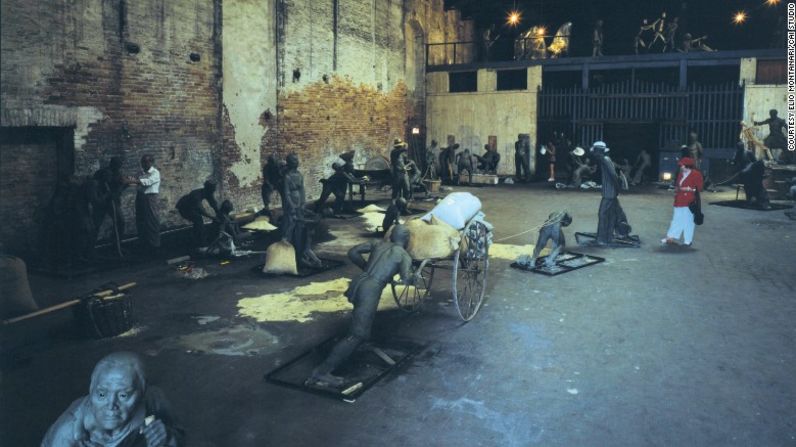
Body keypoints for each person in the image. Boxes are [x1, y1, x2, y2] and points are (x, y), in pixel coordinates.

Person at [306, 225, 415, 388]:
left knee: (359, 325)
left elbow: (352, 252)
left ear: (391, 236)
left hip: (359, 282)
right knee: (358, 334)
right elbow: (407, 280)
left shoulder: (377, 243)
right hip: (371, 289)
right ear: (406, 240)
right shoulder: (404, 255)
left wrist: (368, 269)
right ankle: (321, 372)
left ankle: (351, 345)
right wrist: (415, 276)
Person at [41, 351, 184, 447]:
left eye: (123, 395)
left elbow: (180, 435)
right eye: (102, 394)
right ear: (92, 390)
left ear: (141, 393)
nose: (111, 405)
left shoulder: (153, 400)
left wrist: (169, 437)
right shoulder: (67, 434)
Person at [282, 153, 322, 267]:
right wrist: (292, 206)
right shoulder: (287, 176)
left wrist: (302, 203)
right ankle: (290, 252)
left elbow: (302, 190)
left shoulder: (299, 174)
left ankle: (301, 250)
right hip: (291, 203)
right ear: (289, 162)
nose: (297, 162)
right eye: (294, 160)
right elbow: (287, 193)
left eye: (297, 159)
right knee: (291, 225)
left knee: (300, 226)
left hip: (299, 200)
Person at [590, 141, 632, 244]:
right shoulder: (604, 160)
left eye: (595, 152)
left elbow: (613, 176)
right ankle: (619, 233)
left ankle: (602, 239)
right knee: (616, 213)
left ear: (599, 151)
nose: (594, 154)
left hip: (609, 193)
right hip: (610, 192)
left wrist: (617, 189)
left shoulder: (605, 160)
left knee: (603, 214)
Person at [662, 157, 703, 246]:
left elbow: (699, 188)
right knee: (676, 219)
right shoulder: (681, 174)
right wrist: (677, 189)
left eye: (682, 165)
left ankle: (687, 240)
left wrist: (688, 189)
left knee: (688, 221)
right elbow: (677, 186)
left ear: (687, 166)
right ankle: (671, 237)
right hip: (679, 200)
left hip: (689, 201)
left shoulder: (696, 174)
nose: (681, 167)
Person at [175, 181, 220, 248]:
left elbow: (213, 204)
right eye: (213, 190)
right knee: (198, 219)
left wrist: (219, 214)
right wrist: (213, 217)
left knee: (198, 219)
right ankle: (200, 242)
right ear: (208, 188)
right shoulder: (196, 194)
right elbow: (201, 210)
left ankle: (198, 238)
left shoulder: (209, 193)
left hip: (192, 207)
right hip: (184, 208)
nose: (213, 192)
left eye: (214, 190)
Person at [92, 157, 128, 240]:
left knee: (121, 222)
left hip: (113, 203)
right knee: (96, 224)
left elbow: (118, 191)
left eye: (119, 166)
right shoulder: (101, 173)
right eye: (117, 165)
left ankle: (116, 243)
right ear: (112, 164)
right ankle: (90, 247)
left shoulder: (118, 174)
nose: (118, 167)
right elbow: (94, 187)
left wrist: (124, 185)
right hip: (102, 203)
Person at [130, 155, 161, 251]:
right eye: (142, 162)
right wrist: (129, 181)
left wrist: (135, 180)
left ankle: (154, 245)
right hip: (140, 198)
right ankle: (144, 243)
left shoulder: (155, 173)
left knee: (151, 220)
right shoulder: (141, 172)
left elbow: (148, 182)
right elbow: (135, 183)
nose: (143, 164)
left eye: (145, 162)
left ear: (151, 162)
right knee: (141, 220)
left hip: (150, 198)